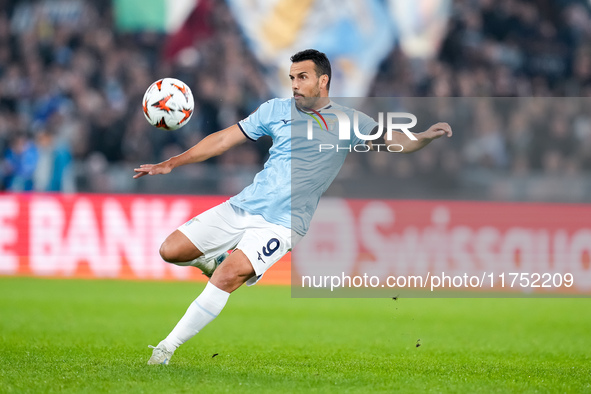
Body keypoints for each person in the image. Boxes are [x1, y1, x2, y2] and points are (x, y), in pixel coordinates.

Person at [133, 49, 452, 365]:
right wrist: (172, 162)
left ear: (323, 81)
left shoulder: (348, 121)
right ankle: (211, 262)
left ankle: (165, 349)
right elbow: (223, 140)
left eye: (302, 77)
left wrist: (423, 136)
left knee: (229, 276)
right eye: (292, 78)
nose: (295, 84)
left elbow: (396, 140)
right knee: (170, 250)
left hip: (284, 224)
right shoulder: (274, 110)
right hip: (244, 205)